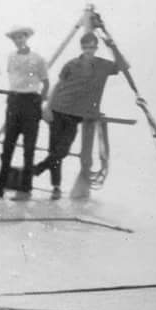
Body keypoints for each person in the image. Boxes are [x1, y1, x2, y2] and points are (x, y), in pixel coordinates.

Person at [32, 26, 129, 199]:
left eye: (92, 47)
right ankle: (56, 187)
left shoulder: (103, 65)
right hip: (57, 108)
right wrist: (47, 107)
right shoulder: (71, 64)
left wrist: (112, 46)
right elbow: (57, 85)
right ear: (81, 48)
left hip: (75, 115)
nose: (89, 51)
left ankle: (36, 169)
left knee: (62, 150)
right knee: (54, 151)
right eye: (86, 47)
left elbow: (124, 66)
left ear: (96, 47)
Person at [0, 25, 50, 200]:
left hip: (31, 102)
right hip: (14, 101)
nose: (19, 41)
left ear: (26, 38)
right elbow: (13, 78)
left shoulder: (38, 58)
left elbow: (46, 83)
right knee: (7, 145)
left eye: (21, 37)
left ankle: (25, 189)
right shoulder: (10, 57)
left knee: (29, 148)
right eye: (15, 38)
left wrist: (38, 101)